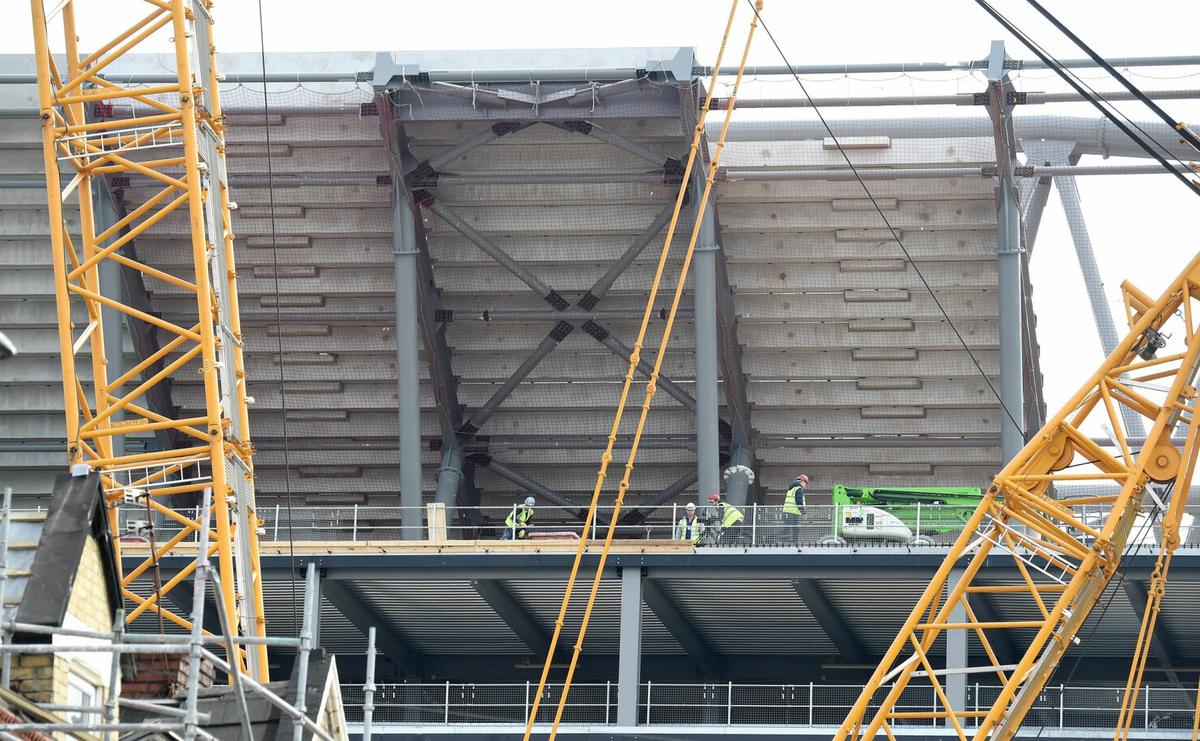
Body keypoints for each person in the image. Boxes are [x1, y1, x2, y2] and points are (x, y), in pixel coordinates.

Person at [782, 473, 809, 545]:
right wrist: (804, 513)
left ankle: (794, 542)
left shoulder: (792, 489)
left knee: (795, 528)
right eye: (806, 483)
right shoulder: (798, 489)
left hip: (793, 513)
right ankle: (779, 542)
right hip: (790, 512)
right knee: (788, 529)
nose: (806, 485)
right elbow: (799, 501)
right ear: (802, 482)